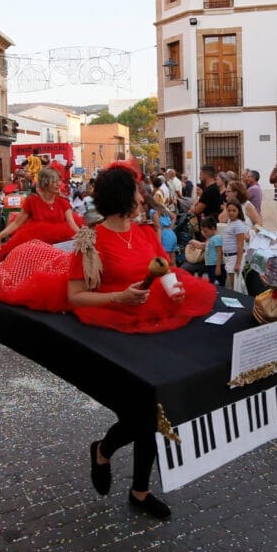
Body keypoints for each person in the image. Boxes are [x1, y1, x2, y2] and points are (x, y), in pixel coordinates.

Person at [70, 165, 215, 519]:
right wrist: (118, 297)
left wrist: (174, 287)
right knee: (139, 413)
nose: (142, 196)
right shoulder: (90, 239)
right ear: (123, 196)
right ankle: (103, 450)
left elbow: (164, 269)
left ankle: (139, 490)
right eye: (136, 191)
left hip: (154, 324)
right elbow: (75, 296)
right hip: (113, 330)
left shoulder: (146, 232)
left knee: (153, 409)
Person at [0, 167, 81, 264]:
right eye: (54, 181)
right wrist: (1, 235)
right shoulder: (32, 201)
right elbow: (17, 222)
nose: (59, 184)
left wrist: (84, 236)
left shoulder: (63, 202)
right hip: (38, 248)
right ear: (45, 183)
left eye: (59, 181)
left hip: (60, 246)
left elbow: (72, 224)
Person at [220, 198, 249, 290]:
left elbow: (240, 245)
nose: (231, 213)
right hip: (228, 257)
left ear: (238, 211)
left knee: (235, 285)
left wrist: (237, 263)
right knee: (232, 284)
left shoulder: (238, 224)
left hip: (234, 257)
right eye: (229, 210)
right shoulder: (230, 222)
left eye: (234, 210)